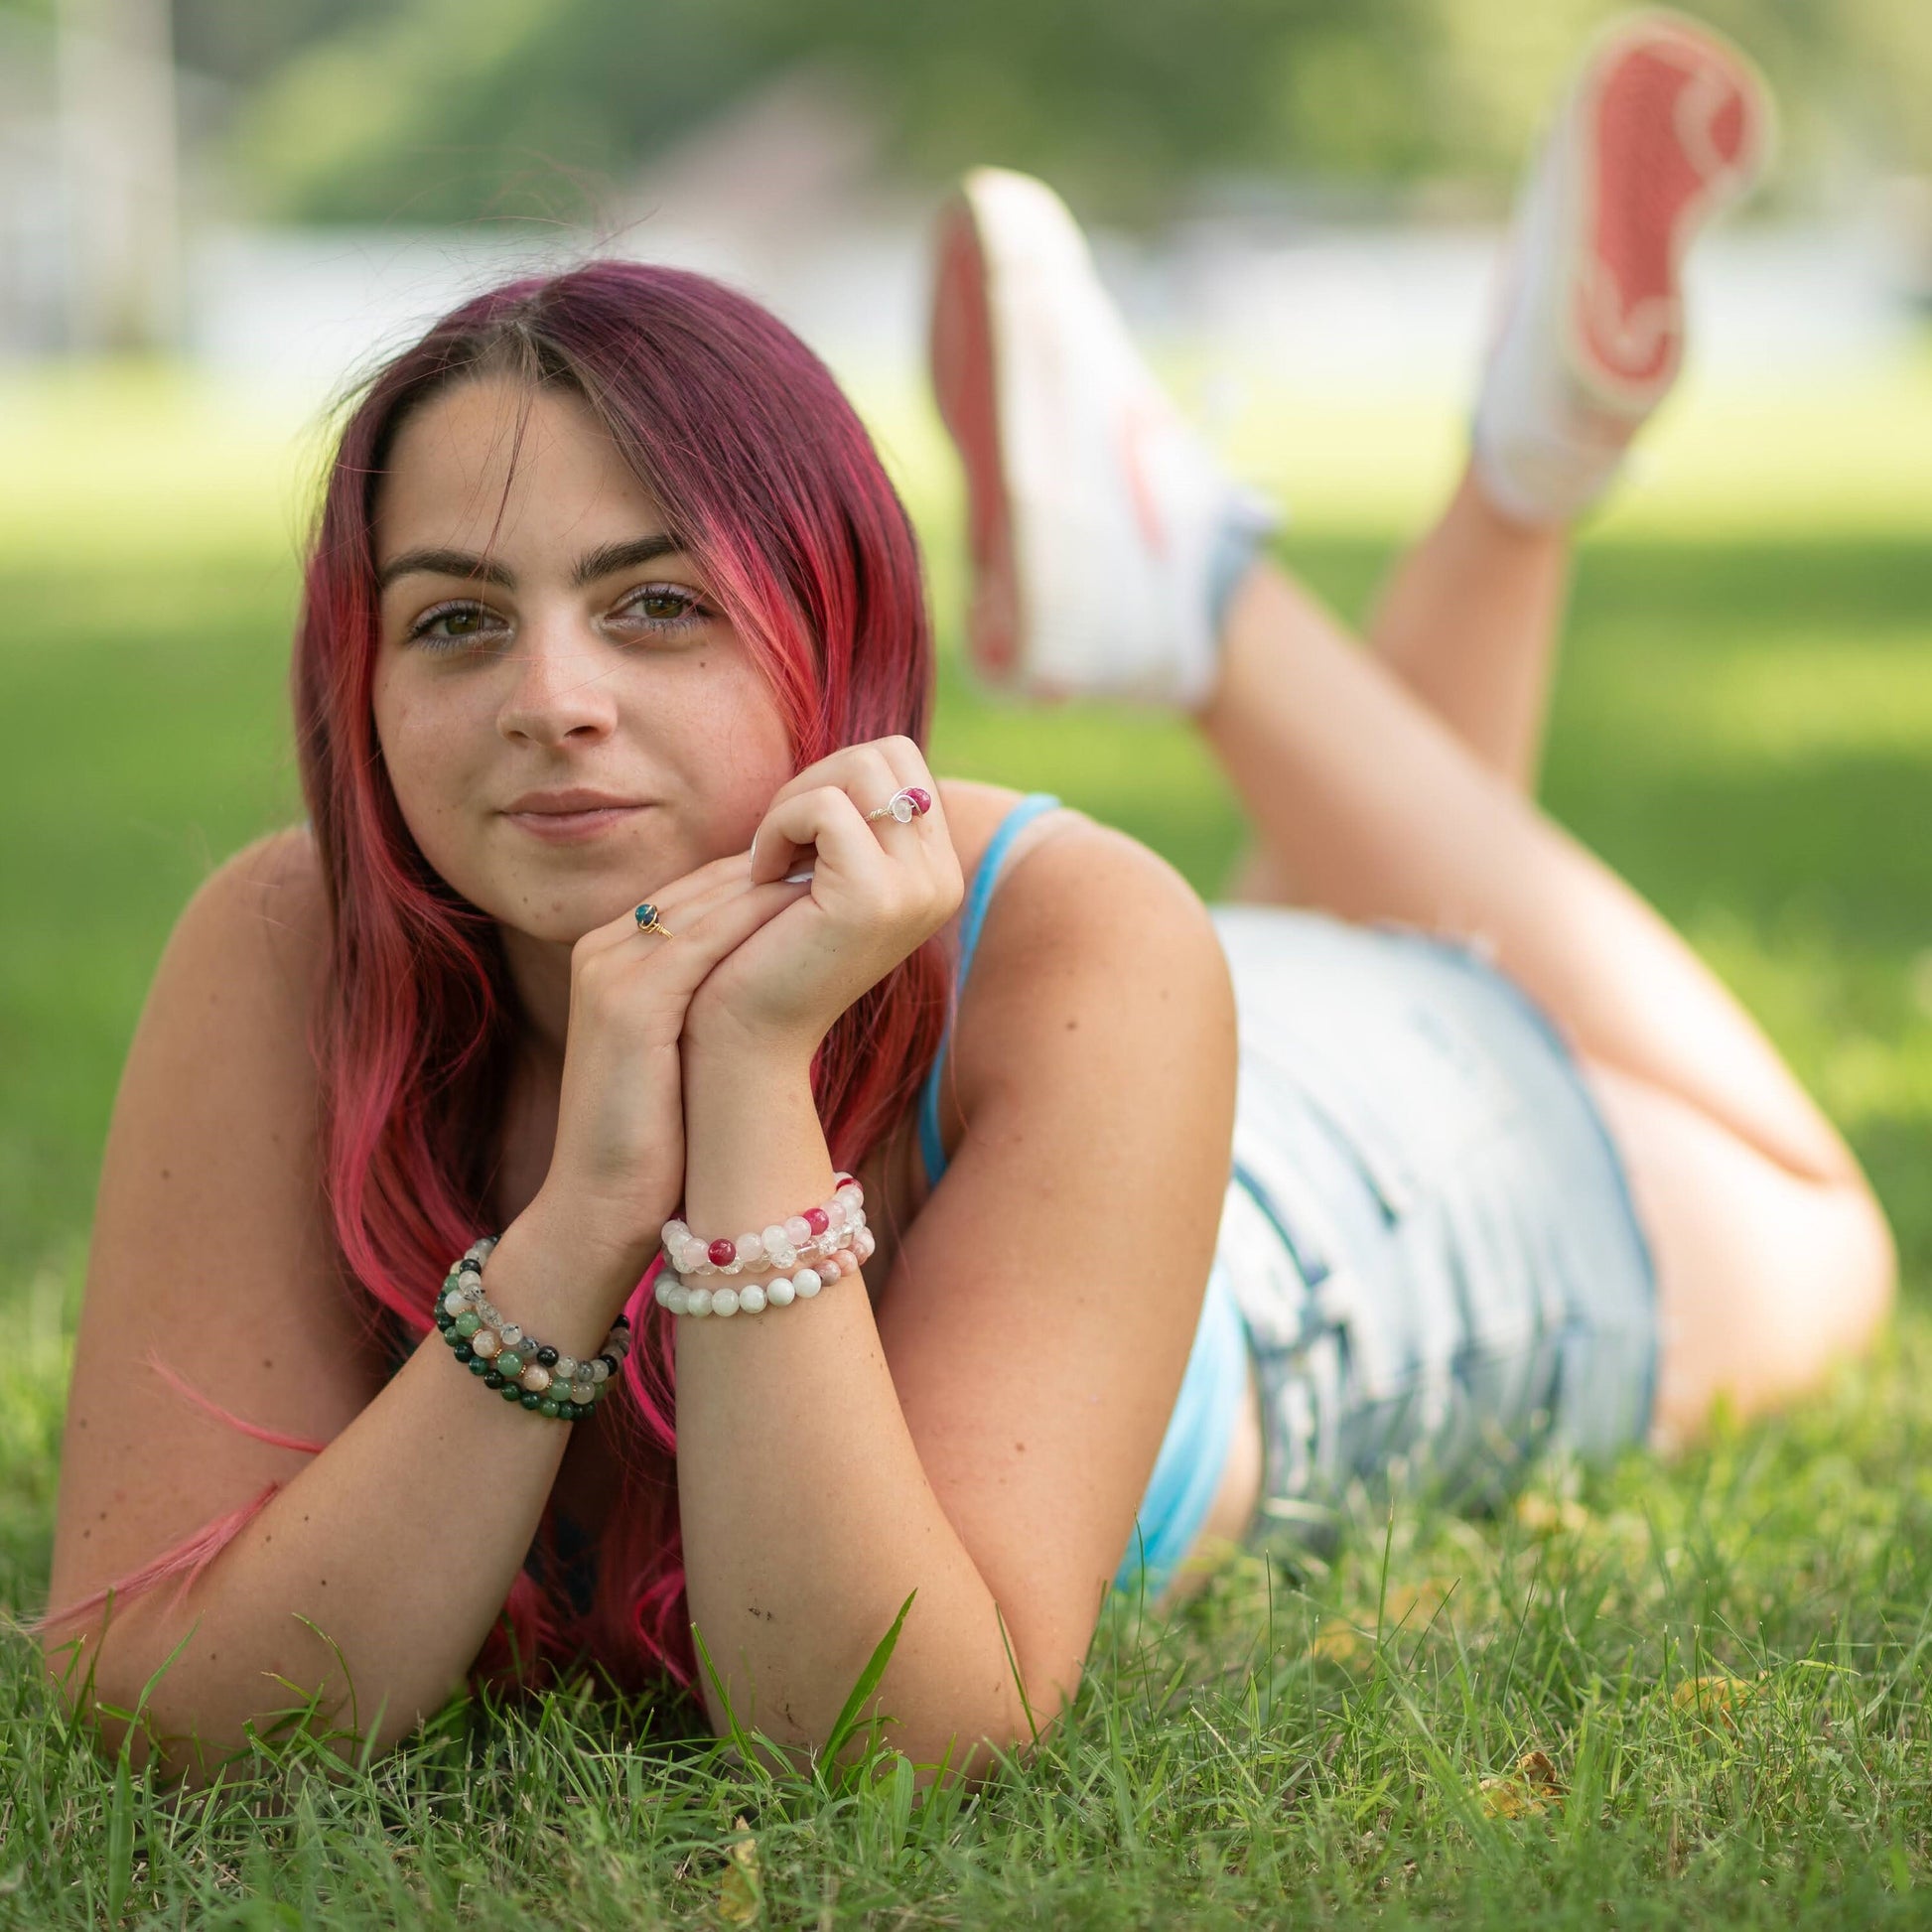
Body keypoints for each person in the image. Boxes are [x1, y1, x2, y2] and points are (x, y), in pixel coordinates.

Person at [36, 7, 1892, 1785]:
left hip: (1348, 1178)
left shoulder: (1083, 939)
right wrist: (583, 1219)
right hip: (1118, 1052)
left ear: (827, 626)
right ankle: (1504, 480)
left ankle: (1216, 593)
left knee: (1818, 1225)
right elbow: (170, 1695)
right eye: (454, 619)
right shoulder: (294, 944)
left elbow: (884, 1736)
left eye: (657, 604)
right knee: (1348, 900)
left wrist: (749, 1077)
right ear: (354, 683)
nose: (551, 698)